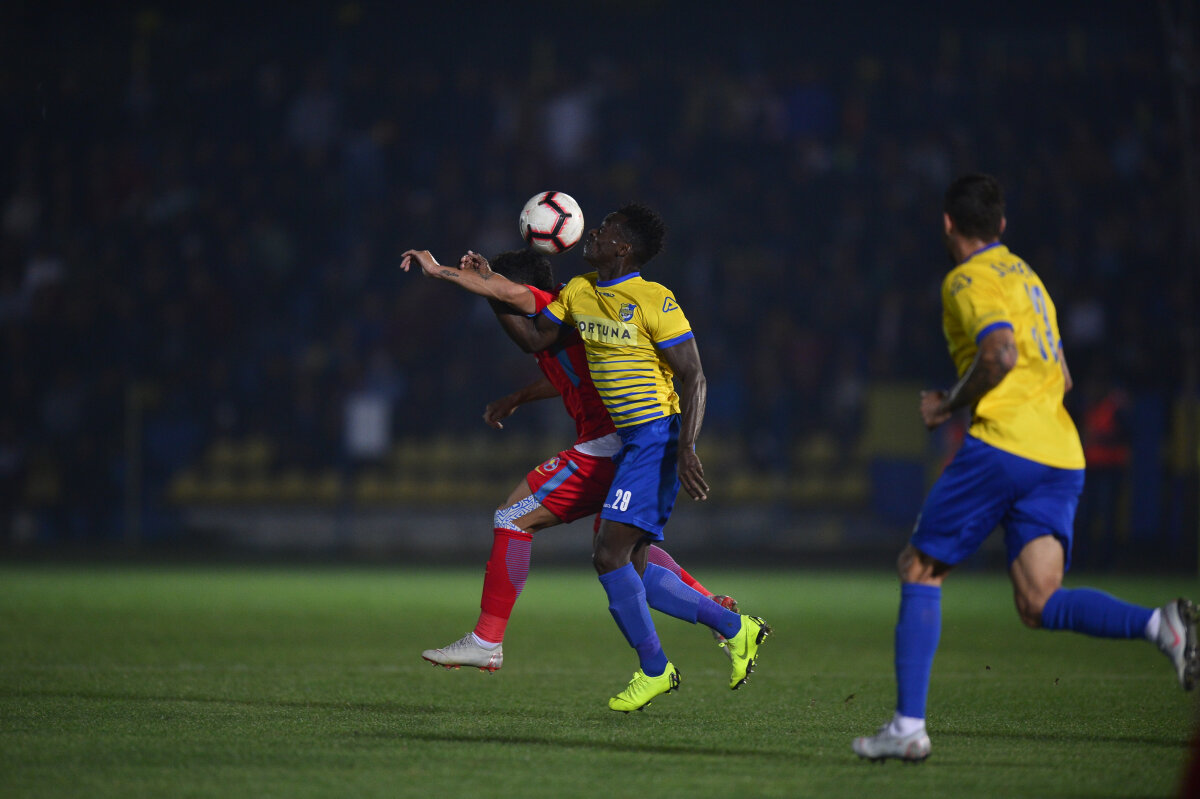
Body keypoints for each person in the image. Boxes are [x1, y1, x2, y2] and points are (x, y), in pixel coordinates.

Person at [852, 174, 1198, 763]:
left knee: (919, 568)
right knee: (1039, 601)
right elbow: (1062, 374)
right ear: (1002, 226)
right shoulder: (1029, 279)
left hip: (1004, 445)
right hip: (1060, 453)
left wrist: (948, 403)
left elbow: (1000, 353)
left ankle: (908, 727)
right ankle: (1160, 625)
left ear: (947, 224)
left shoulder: (967, 279)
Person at [402, 203, 770, 711]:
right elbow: (539, 341)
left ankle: (648, 665)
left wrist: (442, 270)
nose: (593, 232)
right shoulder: (579, 294)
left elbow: (694, 374)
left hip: (640, 438)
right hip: (623, 440)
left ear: (624, 247)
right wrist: (516, 387)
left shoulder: (648, 298)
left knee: (569, 539)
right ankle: (728, 623)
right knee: (626, 558)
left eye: (606, 230)